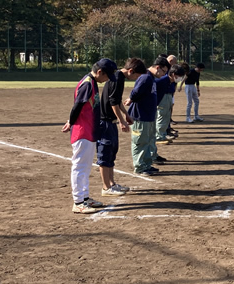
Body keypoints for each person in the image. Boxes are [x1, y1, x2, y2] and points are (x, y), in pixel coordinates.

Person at [62, 59, 117, 214]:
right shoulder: (87, 84)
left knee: (85, 167)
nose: (107, 80)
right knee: (79, 167)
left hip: (89, 131)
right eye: (107, 76)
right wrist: (71, 122)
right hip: (82, 131)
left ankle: (85, 198)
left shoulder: (91, 82)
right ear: (100, 72)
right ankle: (78, 201)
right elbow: (77, 106)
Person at [98, 57, 146, 196]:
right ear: (131, 71)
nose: (136, 79)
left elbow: (117, 100)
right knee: (105, 154)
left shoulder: (119, 77)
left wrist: (126, 114)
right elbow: (113, 102)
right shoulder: (117, 77)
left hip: (110, 122)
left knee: (112, 153)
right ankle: (106, 187)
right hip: (105, 121)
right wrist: (122, 121)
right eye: (137, 76)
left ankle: (112, 183)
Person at [125, 57, 170, 176]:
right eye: (164, 71)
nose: (164, 74)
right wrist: (131, 100)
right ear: (158, 67)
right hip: (141, 116)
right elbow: (135, 92)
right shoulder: (145, 77)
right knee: (140, 142)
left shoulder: (151, 78)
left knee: (148, 140)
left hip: (148, 116)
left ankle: (147, 164)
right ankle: (140, 166)